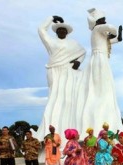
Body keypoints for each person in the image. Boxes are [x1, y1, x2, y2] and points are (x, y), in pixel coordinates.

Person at [35, 15, 86, 143]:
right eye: (59, 30)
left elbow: (83, 52)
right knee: (54, 98)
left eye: (64, 30)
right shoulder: (51, 41)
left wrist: (78, 62)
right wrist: (51, 18)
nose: (62, 31)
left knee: (68, 99)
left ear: (67, 32)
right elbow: (41, 29)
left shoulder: (73, 43)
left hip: (68, 71)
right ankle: (51, 129)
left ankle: (70, 131)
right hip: (54, 70)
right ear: (56, 31)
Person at [76, 8, 123, 136]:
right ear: (99, 21)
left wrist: (117, 36)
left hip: (101, 59)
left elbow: (111, 40)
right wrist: (113, 33)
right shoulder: (97, 29)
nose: (105, 21)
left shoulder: (99, 32)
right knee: (101, 85)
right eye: (103, 20)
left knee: (105, 86)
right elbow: (111, 28)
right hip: (99, 59)